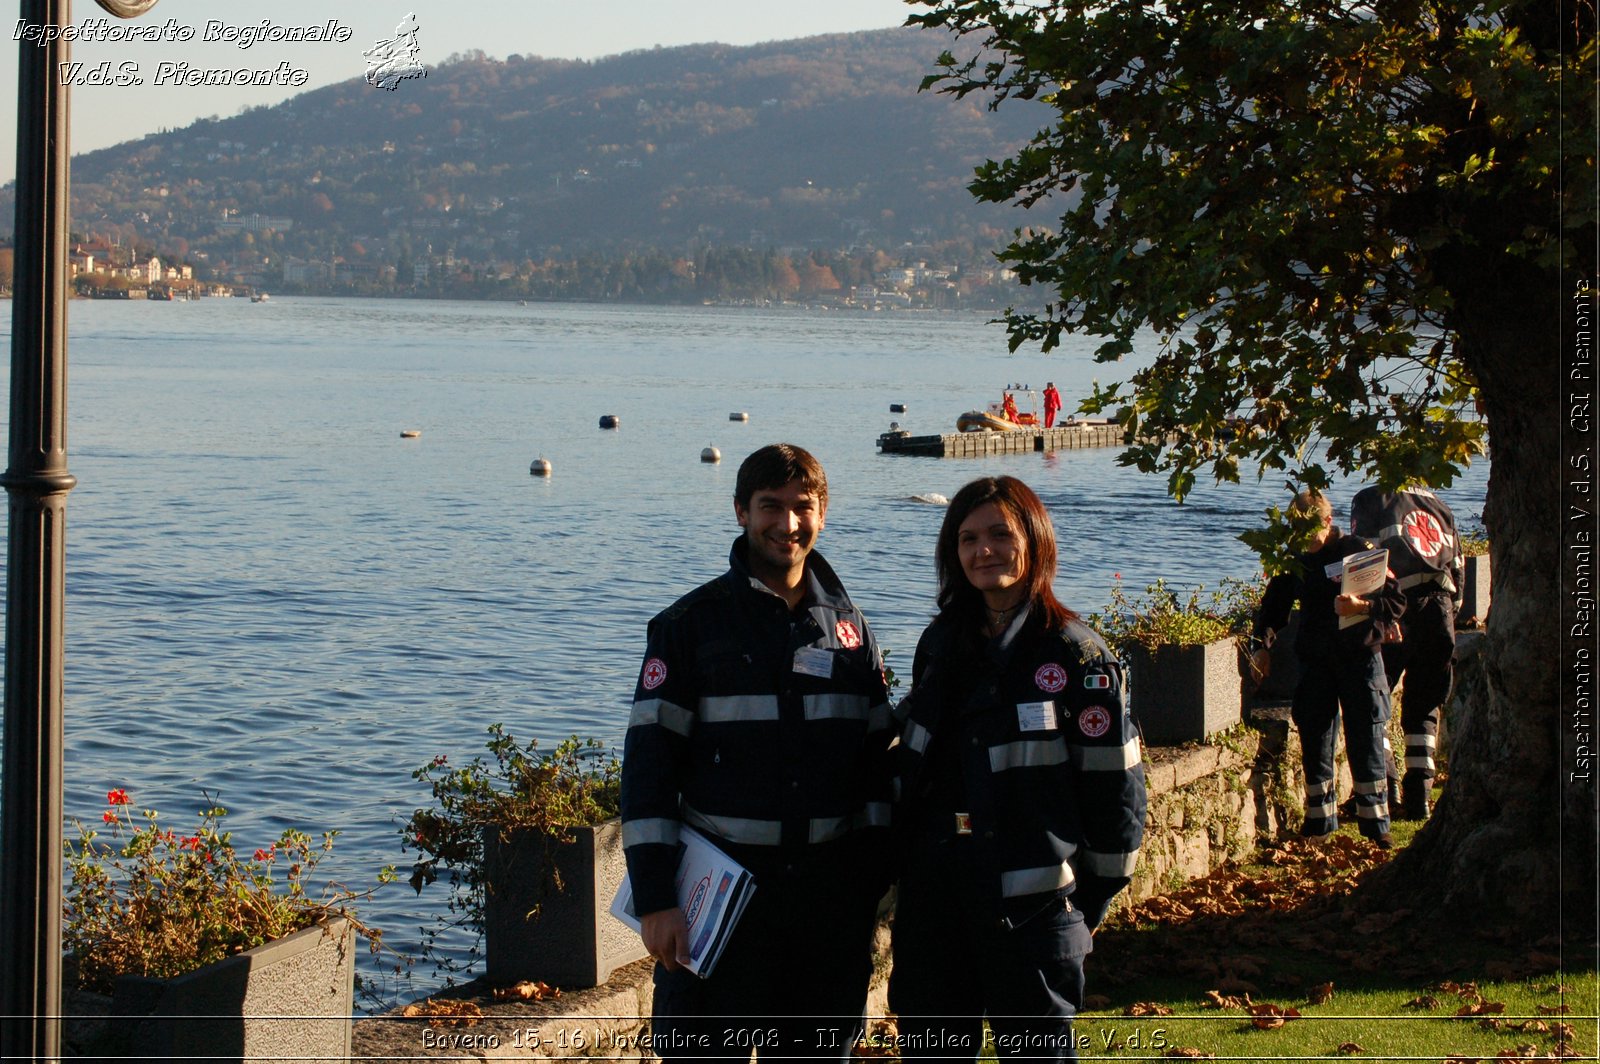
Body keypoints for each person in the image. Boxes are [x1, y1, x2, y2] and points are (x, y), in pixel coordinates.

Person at [620, 443, 894, 1063]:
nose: (788, 524)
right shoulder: (689, 627)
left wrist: (869, 887)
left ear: (824, 514)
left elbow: (877, 766)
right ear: (740, 511)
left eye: (803, 507)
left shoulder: (851, 630)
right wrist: (657, 898)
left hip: (826, 907)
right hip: (718, 905)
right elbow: (648, 771)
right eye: (771, 506)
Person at [889, 476, 1146, 1063]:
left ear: (1033, 540)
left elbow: (1117, 796)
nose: (984, 551)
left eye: (1000, 535)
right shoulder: (939, 645)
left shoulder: (1078, 657)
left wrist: (1088, 905)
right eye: (968, 538)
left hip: (1031, 914)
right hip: (936, 908)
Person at [1251, 490, 1404, 847]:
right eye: (1296, 533)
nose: (1304, 541)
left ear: (1327, 522)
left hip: (1360, 659)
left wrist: (1362, 606)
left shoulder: (1359, 550)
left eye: (1309, 533)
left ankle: (1376, 829)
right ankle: (1319, 825)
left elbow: (1396, 600)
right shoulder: (1296, 561)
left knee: (1365, 742)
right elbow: (1273, 608)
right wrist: (1262, 647)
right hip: (1316, 662)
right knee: (1315, 741)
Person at [1349, 484, 1462, 820]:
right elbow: (1458, 568)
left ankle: (1387, 783)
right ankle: (1420, 799)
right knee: (1425, 707)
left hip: (1398, 610)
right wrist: (1448, 620)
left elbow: (1363, 562)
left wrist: (1371, 615)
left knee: (1375, 702)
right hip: (1441, 613)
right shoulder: (1440, 505)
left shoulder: (1372, 499)